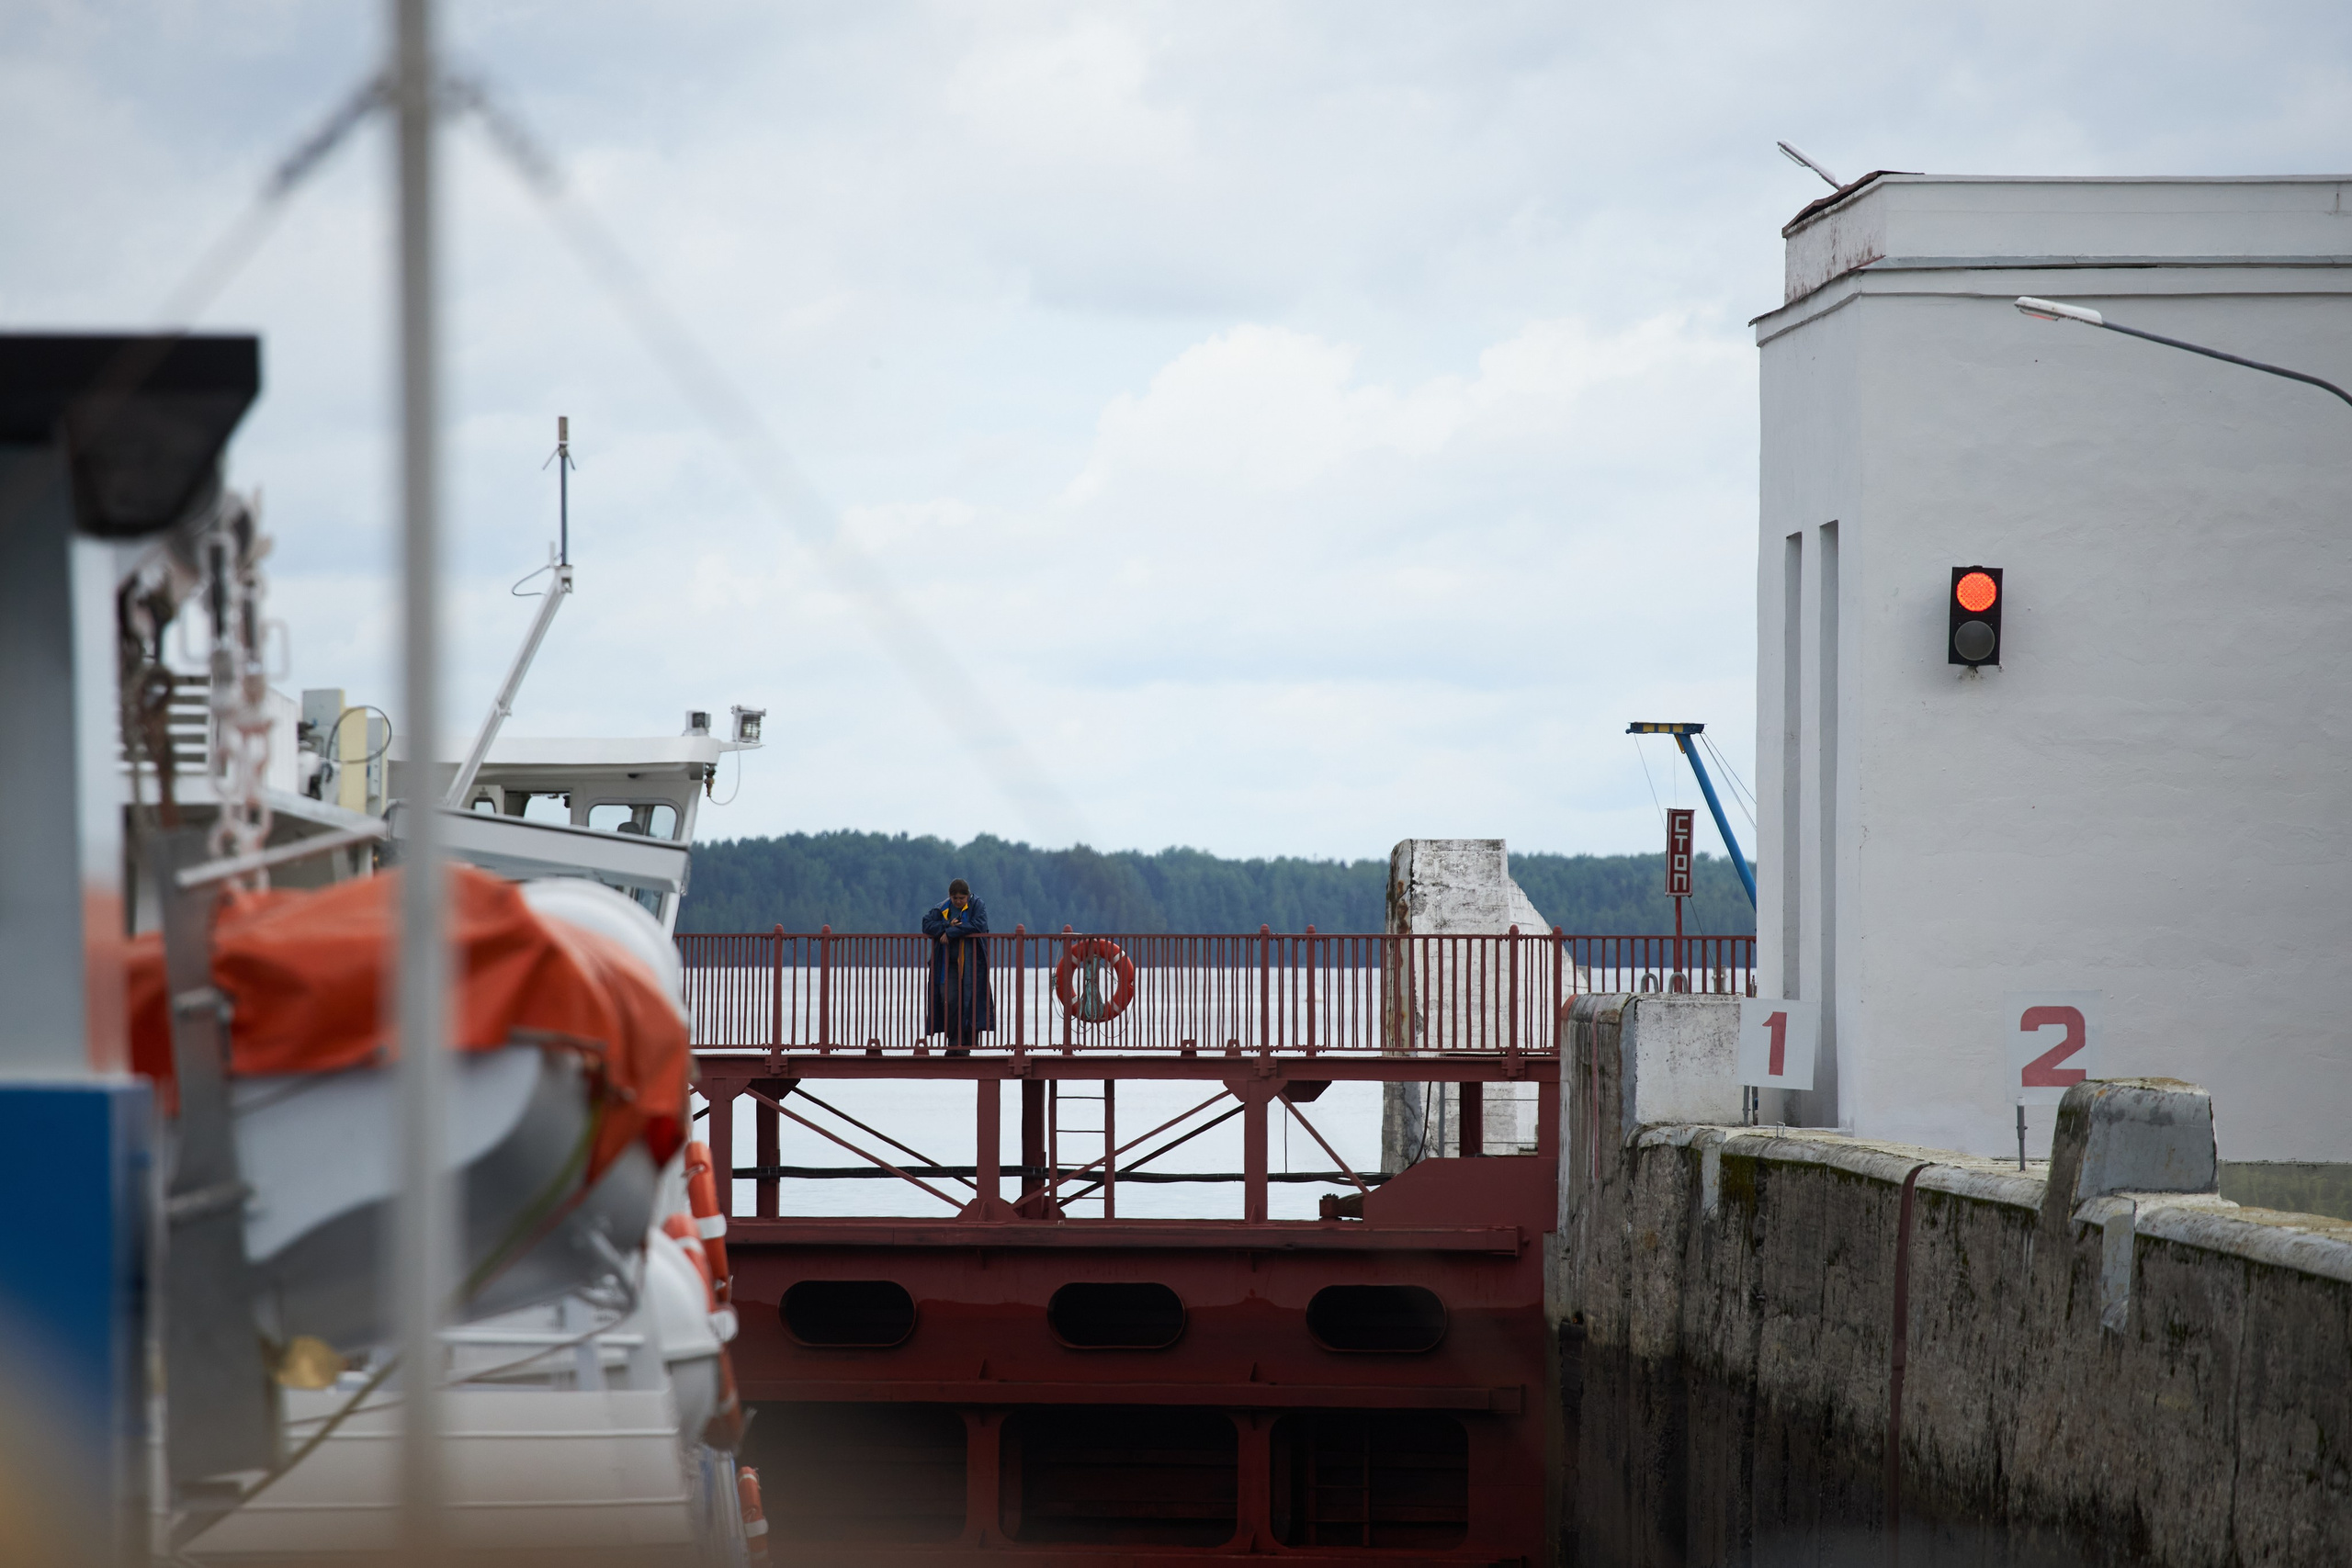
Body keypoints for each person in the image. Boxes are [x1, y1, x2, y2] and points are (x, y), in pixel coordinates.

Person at [922, 878, 995, 1055]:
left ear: (968, 895)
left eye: (962, 898)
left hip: (972, 963)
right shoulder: (941, 908)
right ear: (950, 896)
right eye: (955, 898)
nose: (958, 901)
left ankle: (967, 1045)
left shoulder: (977, 905)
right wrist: (946, 925)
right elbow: (926, 924)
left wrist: (950, 932)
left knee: (970, 1000)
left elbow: (978, 925)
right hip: (947, 964)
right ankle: (954, 1043)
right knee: (949, 999)